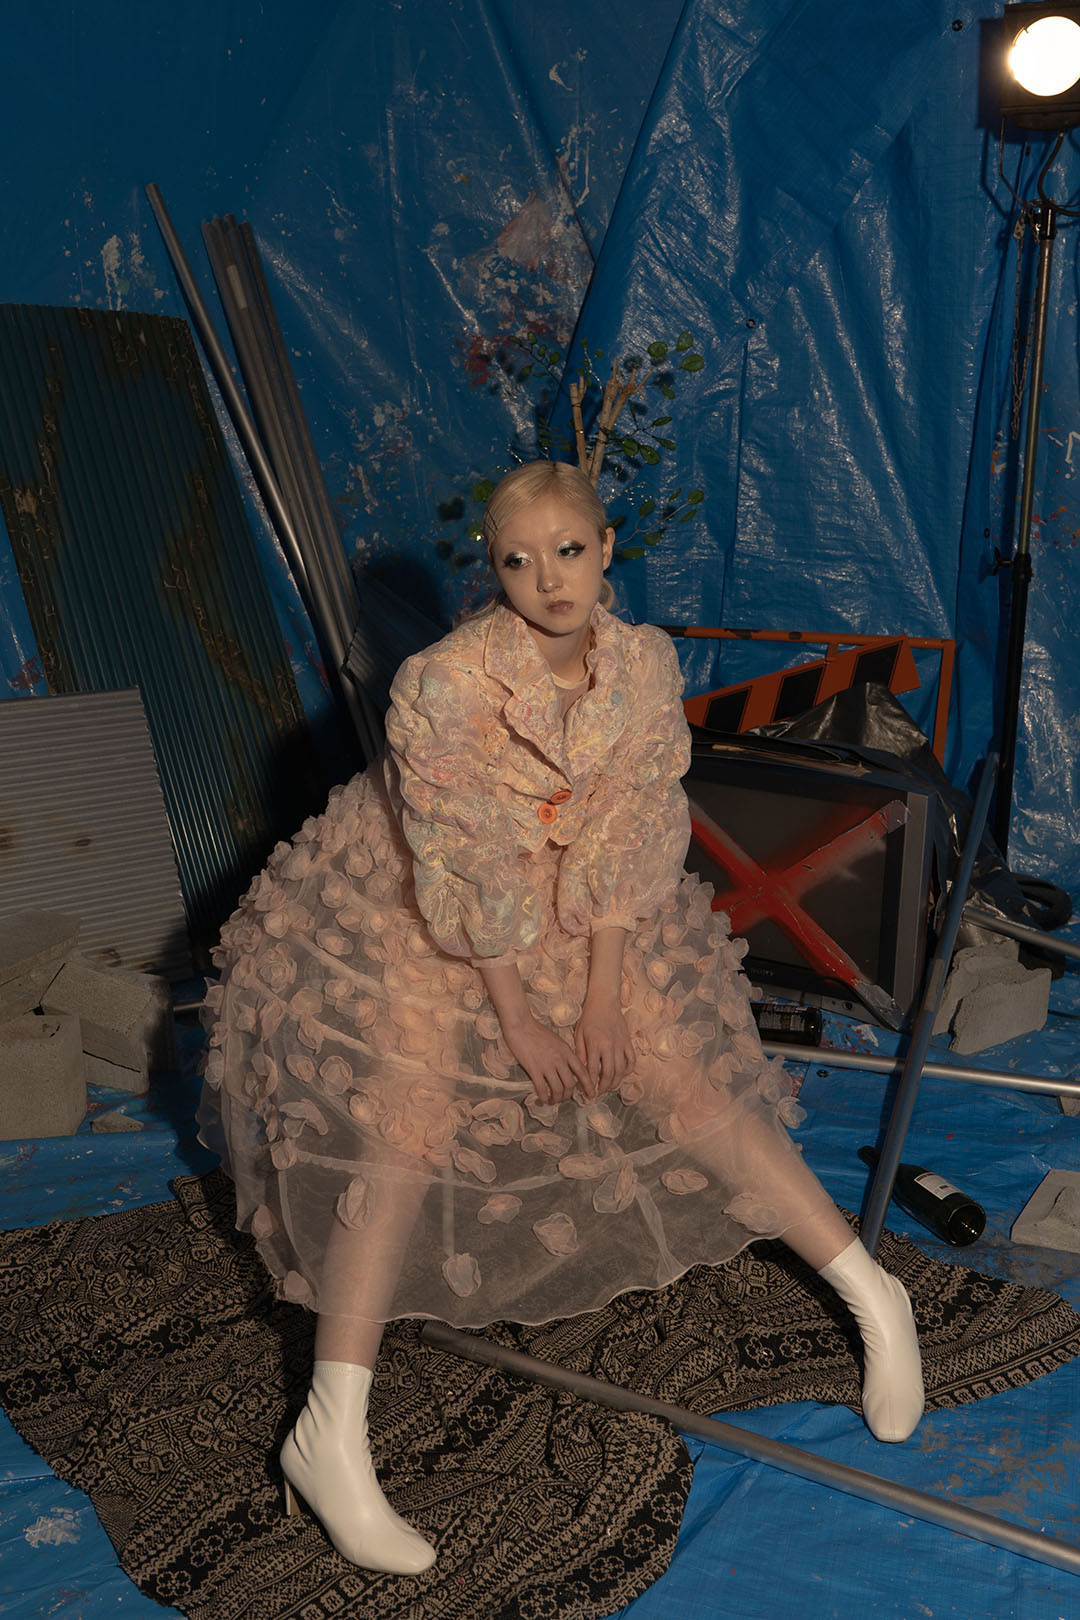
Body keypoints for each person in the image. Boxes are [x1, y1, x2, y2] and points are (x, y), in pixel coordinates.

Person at [200, 459, 924, 1577]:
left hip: (585, 899)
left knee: (682, 1077)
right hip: (428, 898)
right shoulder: (441, 685)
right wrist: (521, 1020)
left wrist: (598, 996)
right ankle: (329, 1433)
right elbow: (460, 867)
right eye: (519, 560)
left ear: (606, 547)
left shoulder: (642, 664)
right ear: (493, 572)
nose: (549, 580)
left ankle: (876, 1298)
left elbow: (632, 833)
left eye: (570, 550)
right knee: (406, 1126)